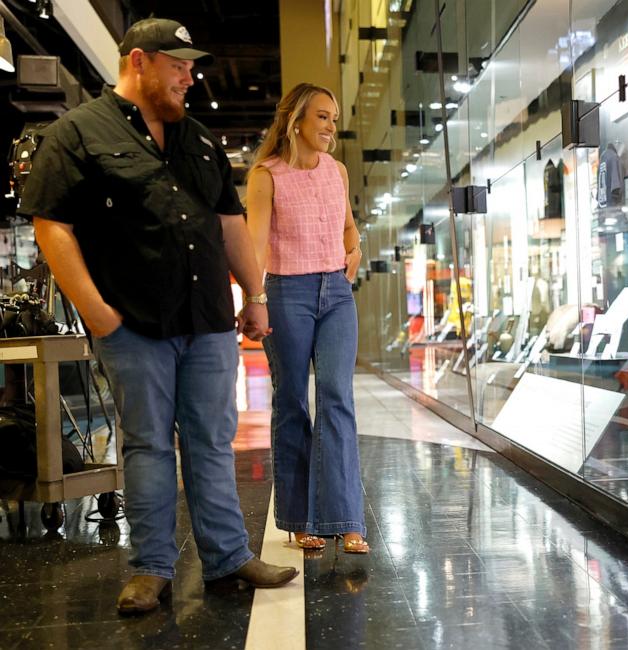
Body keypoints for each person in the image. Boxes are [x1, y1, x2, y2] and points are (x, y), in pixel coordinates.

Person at [18, 18, 298, 614]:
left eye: (191, 68)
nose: (189, 77)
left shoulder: (196, 138)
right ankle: (151, 569)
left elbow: (227, 223)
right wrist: (98, 313)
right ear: (139, 61)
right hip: (133, 323)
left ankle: (227, 560)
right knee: (147, 446)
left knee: (212, 442)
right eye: (179, 66)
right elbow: (51, 225)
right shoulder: (77, 133)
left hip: (207, 321)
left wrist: (254, 294)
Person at [245, 83, 368, 554]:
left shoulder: (337, 171)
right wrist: (253, 296)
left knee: (337, 396)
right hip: (286, 292)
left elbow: (348, 226)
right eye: (322, 117)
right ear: (295, 120)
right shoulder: (266, 175)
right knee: (293, 400)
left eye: (333, 119)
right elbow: (256, 244)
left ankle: (347, 518)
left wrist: (355, 249)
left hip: (336, 292)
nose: (331, 127)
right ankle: (299, 519)